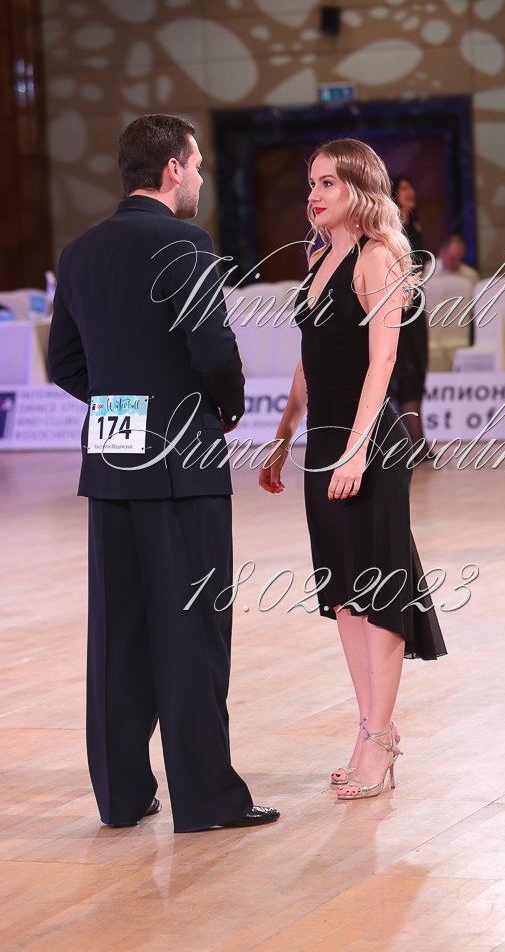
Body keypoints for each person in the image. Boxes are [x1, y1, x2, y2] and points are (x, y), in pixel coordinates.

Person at [48, 114, 279, 832]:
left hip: (111, 462)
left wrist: (124, 402)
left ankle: (121, 796)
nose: (201, 179)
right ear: (172, 168)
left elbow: (64, 364)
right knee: (194, 633)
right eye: (198, 165)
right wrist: (227, 406)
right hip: (182, 460)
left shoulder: (79, 252)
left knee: (117, 634)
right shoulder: (185, 242)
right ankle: (206, 799)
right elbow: (212, 348)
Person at [259, 139, 446, 801]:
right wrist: (283, 435)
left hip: (370, 447)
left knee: (378, 591)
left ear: (360, 189)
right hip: (323, 446)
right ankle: (369, 731)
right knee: (343, 594)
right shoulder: (318, 258)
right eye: (311, 182)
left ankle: (380, 738)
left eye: (328, 183)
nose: (314, 195)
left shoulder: (378, 255)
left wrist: (359, 447)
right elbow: (309, 360)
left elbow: (384, 359)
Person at [387, 175, 432, 454]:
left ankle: (416, 441)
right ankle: (414, 443)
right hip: (398, 307)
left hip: (416, 306)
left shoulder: (414, 225)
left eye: (411, 186)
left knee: (418, 369)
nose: (411, 191)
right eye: (404, 187)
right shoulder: (390, 229)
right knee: (406, 371)